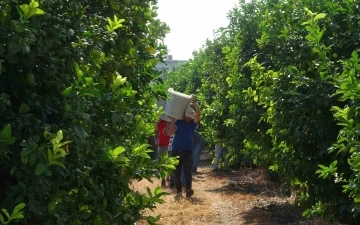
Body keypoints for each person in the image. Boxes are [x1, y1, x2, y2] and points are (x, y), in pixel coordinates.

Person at [169, 97, 200, 198]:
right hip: (176, 150)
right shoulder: (178, 122)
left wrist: (194, 103)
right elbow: (172, 131)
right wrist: (172, 120)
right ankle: (179, 191)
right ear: (183, 116)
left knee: (188, 171)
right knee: (177, 172)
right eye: (186, 116)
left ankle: (188, 189)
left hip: (188, 150)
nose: (187, 118)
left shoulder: (192, 124)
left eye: (189, 117)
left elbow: (198, 114)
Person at [156, 118, 171, 186]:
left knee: (167, 161)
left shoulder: (171, 122)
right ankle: (163, 179)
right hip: (161, 144)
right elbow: (155, 128)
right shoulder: (161, 122)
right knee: (162, 162)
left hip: (168, 144)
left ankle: (168, 176)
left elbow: (166, 133)